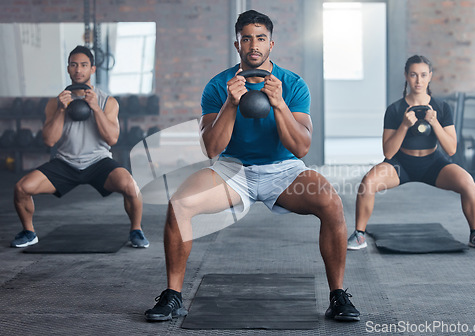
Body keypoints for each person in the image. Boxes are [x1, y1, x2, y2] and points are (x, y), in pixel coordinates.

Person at [144, 10, 360, 322]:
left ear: (271, 44)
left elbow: (301, 147)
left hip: (283, 170)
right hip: (232, 169)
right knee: (179, 204)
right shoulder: (220, 86)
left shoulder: (293, 84)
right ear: (238, 45)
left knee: (332, 204)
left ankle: (338, 295)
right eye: (247, 39)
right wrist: (231, 104)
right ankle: (173, 296)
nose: (253, 45)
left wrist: (279, 103)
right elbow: (210, 148)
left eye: (260, 38)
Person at [347, 55, 475, 250]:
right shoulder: (395, 109)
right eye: (414, 75)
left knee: (467, 182)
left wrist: (434, 122)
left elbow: (451, 149)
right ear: (406, 76)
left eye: (423, 75)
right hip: (401, 163)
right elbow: (388, 153)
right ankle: (359, 235)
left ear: (430, 76)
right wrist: (405, 125)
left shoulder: (442, 108)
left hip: (433, 163)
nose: (418, 80)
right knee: (368, 183)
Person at [11, 45, 149, 249]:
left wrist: (94, 108)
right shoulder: (55, 103)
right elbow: (49, 141)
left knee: (131, 186)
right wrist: (60, 110)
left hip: (98, 162)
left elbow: (112, 139)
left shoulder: (108, 102)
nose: (78, 70)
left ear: (92, 69)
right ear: (68, 69)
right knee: (22, 188)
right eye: (74, 65)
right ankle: (29, 232)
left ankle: (136, 230)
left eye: (84, 65)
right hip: (65, 162)